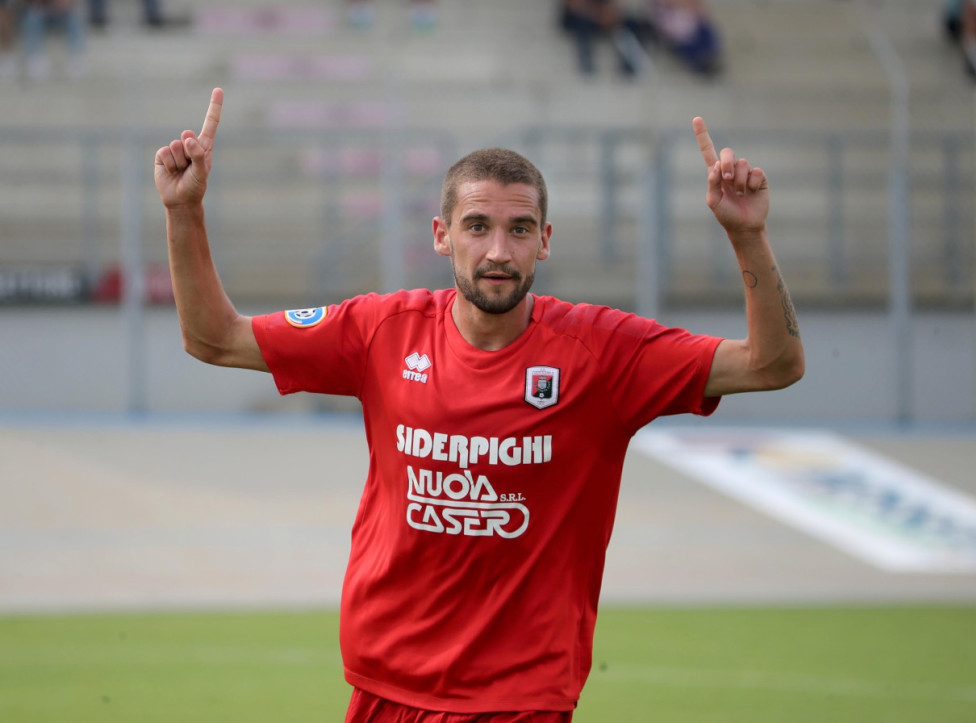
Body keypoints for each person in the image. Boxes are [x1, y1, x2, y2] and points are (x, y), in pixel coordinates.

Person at [154, 88, 804, 720]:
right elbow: (214, 338)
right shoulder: (383, 330)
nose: (498, 251)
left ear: (544, 240)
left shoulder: (602, 352)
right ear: (442, 235)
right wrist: (184, 212)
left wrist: (748, 235)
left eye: (519, 229)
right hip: (385, 685)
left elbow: (771, 364)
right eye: (477, 227)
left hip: (518, 699)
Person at [558, 0, 646, 77]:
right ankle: (586, 64)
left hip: (599, 17)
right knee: (583, 23)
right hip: (578, 18)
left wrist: (610, 14)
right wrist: (599, 15)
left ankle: (629, 66)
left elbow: (614, 6)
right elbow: (573, 5)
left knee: (630, 23)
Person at [20, 0, 86, 81]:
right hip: (40, 11)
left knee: (74, 17)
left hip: (63, 12)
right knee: (33, 17)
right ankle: (35, 58)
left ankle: (76, 58)